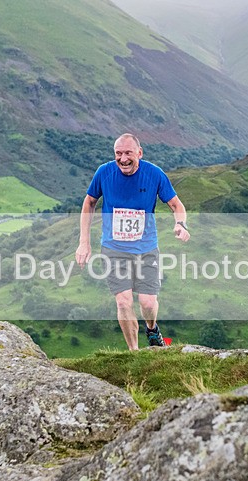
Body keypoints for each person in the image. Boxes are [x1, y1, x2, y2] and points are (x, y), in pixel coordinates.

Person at [75, 133, 190, 350]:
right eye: (118, 153)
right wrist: (84, 242)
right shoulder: (104, 172)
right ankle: (134, 352)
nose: (123, 159)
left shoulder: (154, 174)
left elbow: (176, 205)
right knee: (123, 301)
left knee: (147, 303)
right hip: (114, 248)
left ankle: (152, 329)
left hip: (146, 249)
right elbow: (89, 202)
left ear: (140, 153)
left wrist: (181, 224)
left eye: (128, 153)